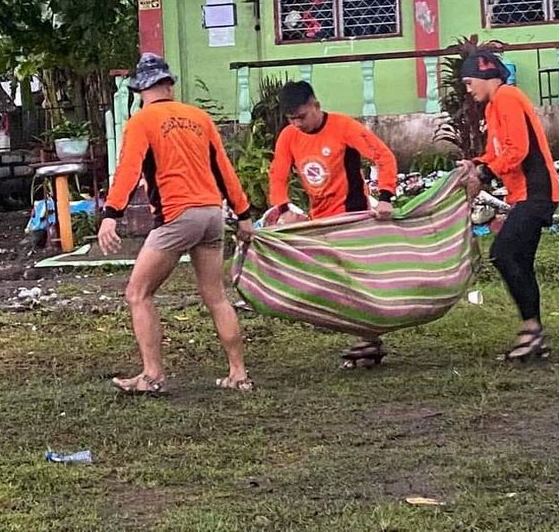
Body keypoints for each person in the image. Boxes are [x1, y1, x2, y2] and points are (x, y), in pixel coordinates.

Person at [98, 53, 256, 394]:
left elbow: (128, 170)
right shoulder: (199, 117)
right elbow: (224, 171)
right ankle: (238, 373)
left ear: (140, 89)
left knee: (138, 293)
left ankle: (152, 376)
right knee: (216, 296)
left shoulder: (141, 121)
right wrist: (243, 216)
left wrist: (111, 215)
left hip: (177, 216)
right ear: (169, 85)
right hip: (213, 214)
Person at [267, 80, 399, 368]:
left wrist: (386, 196)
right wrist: (283, 208)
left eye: (301, 116)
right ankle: (367, 338)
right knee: (333, 284)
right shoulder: (289, 136)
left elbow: (383, 156)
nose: (297, 123)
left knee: (350, 281)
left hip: (350, 218)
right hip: (319, 222)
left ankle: (368, 339)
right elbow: (277, 174)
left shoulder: (343, 127)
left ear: (316, 105)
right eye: (291, 119)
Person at [457, 48, 559, 361]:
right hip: (524, 195)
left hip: (536, 193)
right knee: (519, 261)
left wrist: (484, 172)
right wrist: (474, 164)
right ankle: (533, 334)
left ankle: (531, 328)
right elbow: (496, 152)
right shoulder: (493, 107)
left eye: (470, 81)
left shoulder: (508, 98)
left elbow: (517, 149)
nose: (468, 88)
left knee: (502, 254)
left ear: (487, 76)